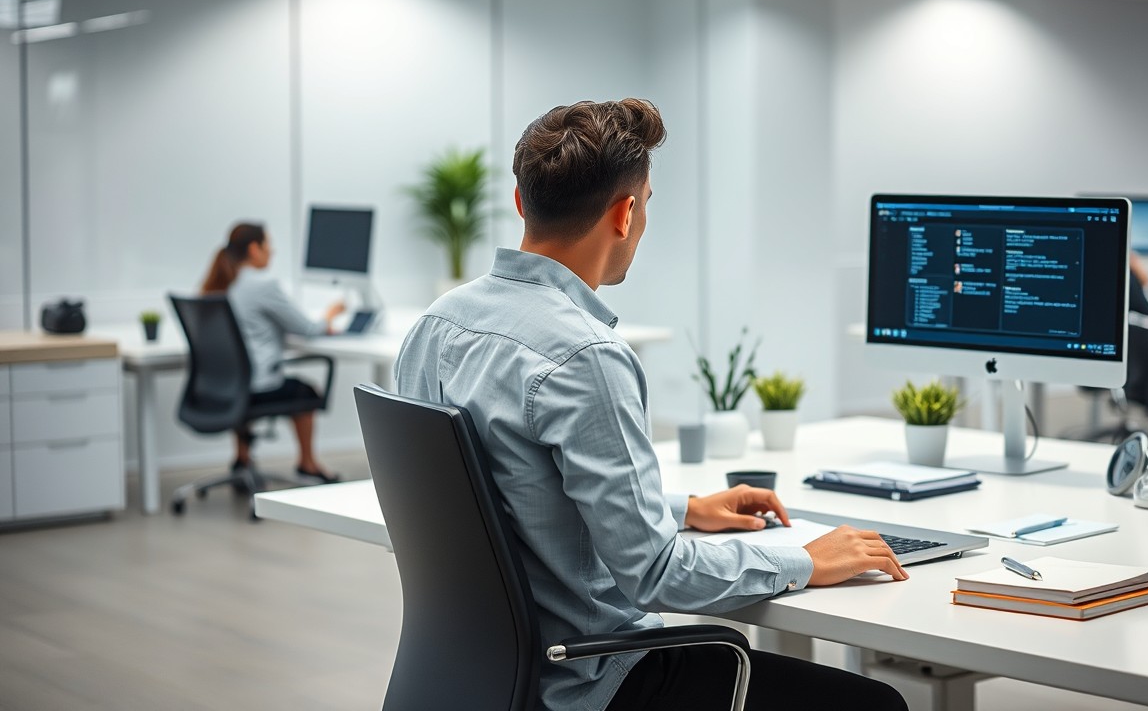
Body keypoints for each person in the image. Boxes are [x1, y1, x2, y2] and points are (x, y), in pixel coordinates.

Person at [395, 99, 909, 711]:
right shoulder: (584, 356)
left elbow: (504, 493)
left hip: (476, 678)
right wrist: (802, 558)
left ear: (519, 202)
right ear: (626, 213)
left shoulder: (434, 325)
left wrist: (683, 507)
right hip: (592, 682)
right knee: (879, 706)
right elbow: (655, 574)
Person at [201, 222, 345, 484]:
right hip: (256, 387)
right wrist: (331, 314)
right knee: (305, 391)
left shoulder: (221, 283)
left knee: (243, 379)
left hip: (222, 387)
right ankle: (307, 463)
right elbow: (308, 328)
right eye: (269, 245)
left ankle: (242, 458)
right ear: (254, 249)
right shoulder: (262, 285)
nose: (273, 252)